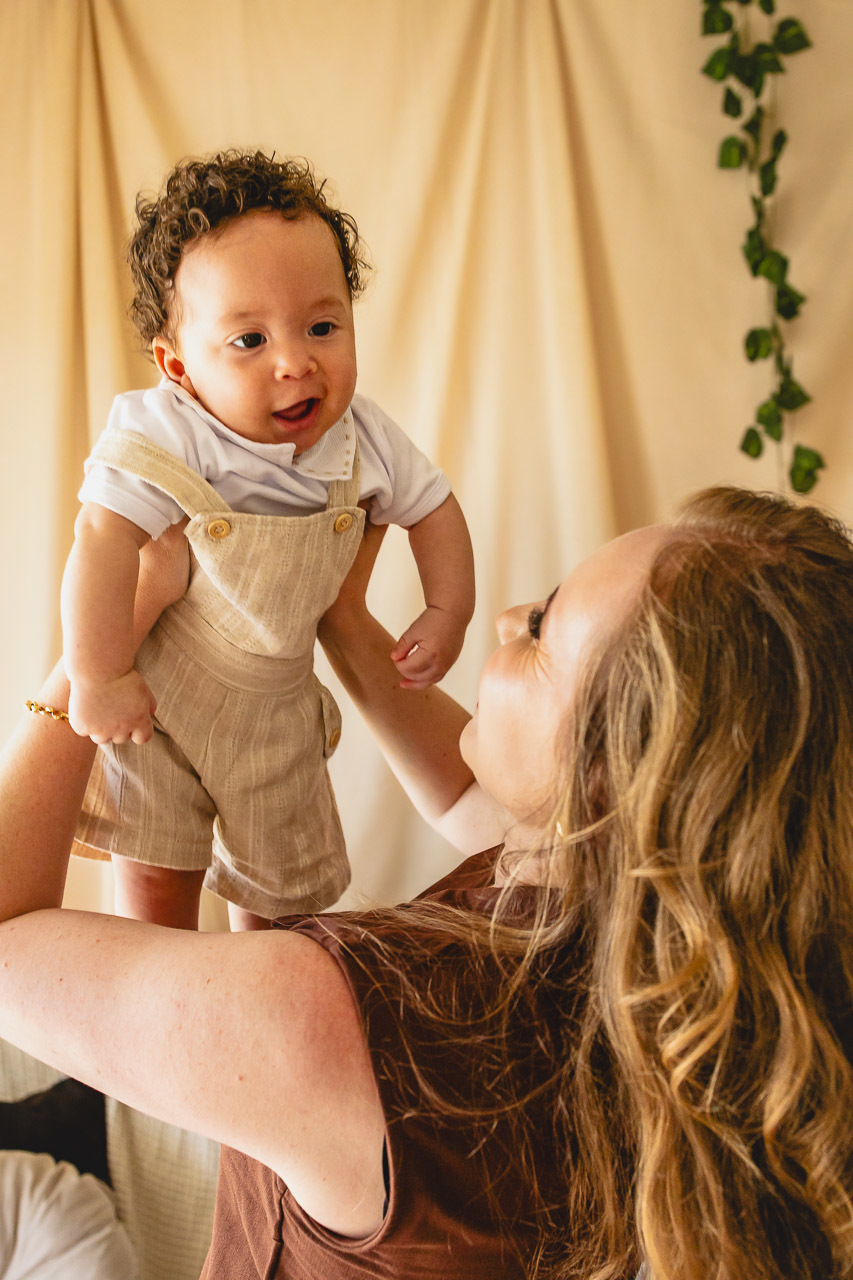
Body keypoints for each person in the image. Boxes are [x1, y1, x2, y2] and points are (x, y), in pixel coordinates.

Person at [1, 485, 851, 1280]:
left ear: (607, 777)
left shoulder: (344, 1021)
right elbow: (470, 789)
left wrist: (99, 650)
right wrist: (337, 614)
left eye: (544, 628)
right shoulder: (708, 956)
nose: (511, 614)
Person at [61, 150, 475, 930]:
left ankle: (258, 1015)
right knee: (153, 894)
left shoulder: (362, 439)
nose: (295, 362)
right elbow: (101, 538)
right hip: (161, 703)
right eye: (248, 341)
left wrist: (447, 610)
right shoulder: (165, 430)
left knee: (281, 911)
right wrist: (98, 673)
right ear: (177, 366)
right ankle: (162, 1034)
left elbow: (435, 510)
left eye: (323, 325)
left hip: (276, 711)